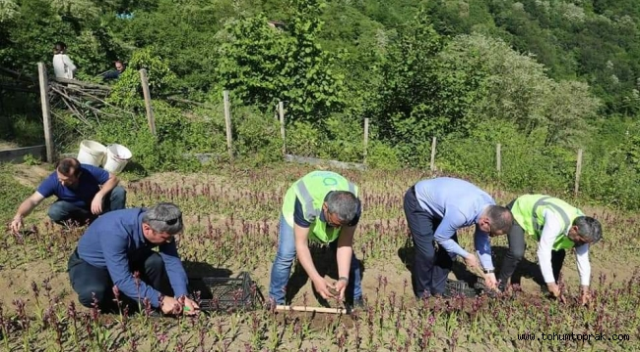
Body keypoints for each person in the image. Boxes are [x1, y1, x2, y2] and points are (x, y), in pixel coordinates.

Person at [67, 202, 199, 315]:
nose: (169, 241)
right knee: (93, 294)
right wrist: (161, 299)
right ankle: (130, 303)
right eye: (165, 238)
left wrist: (182, 295)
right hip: (92, 264)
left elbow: (172, 261)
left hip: (129, 256)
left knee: (156, 262)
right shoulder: (115, 231)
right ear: (147, 228)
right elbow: (122, 278)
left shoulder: (159, 225)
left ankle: (148, 299)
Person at [403, 177, 513, 299]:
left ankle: (437, 288)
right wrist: (465, 255)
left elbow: (482, 241)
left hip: (443, 206)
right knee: (426, 253)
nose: (491, 236)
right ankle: (423, 294)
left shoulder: (490, 208)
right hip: (419, 202)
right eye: (492, 233)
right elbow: (440, 237)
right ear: (485, 222)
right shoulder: (462, 212)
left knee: (450, 253)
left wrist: (489, 272)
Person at [269, 170, 363, 307]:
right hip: (296, 209)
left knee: (351, 260)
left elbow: (345, 244)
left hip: (329, 211)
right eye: (335, 224)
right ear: (325, 208)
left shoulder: (353, 209)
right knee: (286, 254)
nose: (337, 229)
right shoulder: (306, 201)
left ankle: (356, 298)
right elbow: (301, 244)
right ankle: (275, 302)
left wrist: (343, 278)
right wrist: (316, 278)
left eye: (342, 225)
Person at [497, 194, 602, 304]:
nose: (581, 245)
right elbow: (543, 251)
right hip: (519, 210)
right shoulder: (556, 220)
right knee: (516, 252)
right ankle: (499, 288)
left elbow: (583, 260)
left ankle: (547, 288)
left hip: (544, 220)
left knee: (558, 253)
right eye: (581, 241)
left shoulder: (585, 230)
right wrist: (551, 283)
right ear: (575, 229)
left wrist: (584, 290)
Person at [10, 157, 127, 232]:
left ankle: (114, 223)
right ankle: (82, 225)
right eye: (59, 178)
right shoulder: (53, 180)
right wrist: (19, 216)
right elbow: (33, 200)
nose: (61, 182)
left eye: (66, 179)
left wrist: (99, 195)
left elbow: (113, 178)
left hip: (97, 205)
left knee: (118, 192)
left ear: (78, 175)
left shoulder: (88, 172)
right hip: (77, 211)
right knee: (55, 211)